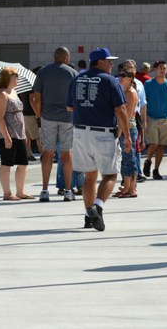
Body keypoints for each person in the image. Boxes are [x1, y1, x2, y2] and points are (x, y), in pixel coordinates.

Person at [67, 47, 131, 231]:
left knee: (89, 176)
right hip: (103, 132)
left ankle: (89, 216)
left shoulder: (77, 79)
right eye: (109, 61)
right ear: (100, 62)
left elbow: (70, 107)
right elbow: (120, 109)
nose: (111, 64)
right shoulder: (110, 81)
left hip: (80, 132)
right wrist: (126, 136)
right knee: (110, 174)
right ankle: (98, 205)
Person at [31, 46, 79, 202]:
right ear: (66, 58)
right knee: (67, 154)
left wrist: (39, 115)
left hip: (48, 117)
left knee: (48, 153)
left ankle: (44, 190)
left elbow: (36, 97)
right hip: (68, 117)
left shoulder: (43, 72)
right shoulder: (73, 73)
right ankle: (68, 190)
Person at [0, 67, 33, 200]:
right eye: (15, 75)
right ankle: (7, 193)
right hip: (8, 133)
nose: (18, 78)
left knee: (23, 163)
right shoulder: (1, 94)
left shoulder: (15, 92)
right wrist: (6, 137)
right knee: (7, 163)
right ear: (8, 77)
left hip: (20, 132)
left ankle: (20, 191)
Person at [143, 61, 167, 180]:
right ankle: (148, 161)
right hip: (151, 118)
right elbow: (144, 102)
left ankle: (156, 169)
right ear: (156, 69)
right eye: (160, 68)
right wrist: (144, 119)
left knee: (161, 146)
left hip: (165, 118)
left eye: (164, 68)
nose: (162, 70)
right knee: (154, 144)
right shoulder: (148, 84)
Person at [115, 69, 139, 198]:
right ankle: (127, 186)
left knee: (129, 158)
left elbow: (127, 115)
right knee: (125, 158)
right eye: (120, 75)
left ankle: (131, 188)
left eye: (123, 76)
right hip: (125, 129)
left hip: (128, 129)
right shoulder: (123, 91)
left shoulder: (130, 92)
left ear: (131, 78)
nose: (120, 77)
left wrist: (120, 132)